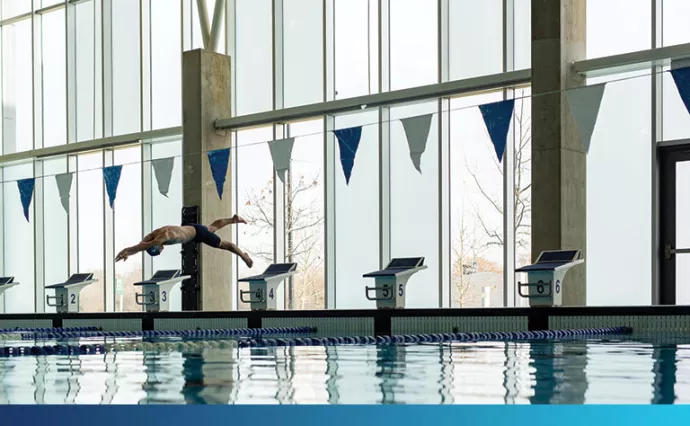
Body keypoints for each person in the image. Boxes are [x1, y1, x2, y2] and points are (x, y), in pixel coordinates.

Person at [115, 215, 253, 268]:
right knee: (212, 227)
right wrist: (128, 253)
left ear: (156, 246)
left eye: (159, 251)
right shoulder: (153, 234)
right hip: (193, 228)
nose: (162, 250)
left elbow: (143, 246)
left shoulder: (162, 238)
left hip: (197, 233)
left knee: (225, 245)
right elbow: (142, 245)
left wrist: (126, 251)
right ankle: (233, 219)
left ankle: (244, 257)